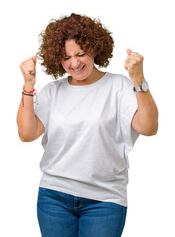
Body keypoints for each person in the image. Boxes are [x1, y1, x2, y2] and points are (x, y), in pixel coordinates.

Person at [17, 13, 158, 237]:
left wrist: (138, 79)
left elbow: (149, 127)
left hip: (105, 200)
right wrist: (28, 85)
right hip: (54, 197)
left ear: (94, 48)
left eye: (81, 54)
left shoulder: (118, 87)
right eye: (66, 57)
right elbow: (26, 134)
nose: (75, 63)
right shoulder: (53, 92)